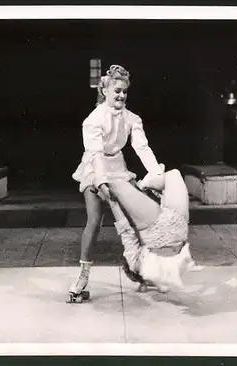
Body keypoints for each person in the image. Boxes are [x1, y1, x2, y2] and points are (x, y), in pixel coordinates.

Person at [70, 64, 163, 300]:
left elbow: (142, 148)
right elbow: (96, 154)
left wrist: (156, 174)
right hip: (95, 167)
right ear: (105, 91)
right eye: (117, 91)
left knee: (133, 218)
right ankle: (82, 275)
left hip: (118, 168)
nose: (121, 95)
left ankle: (137, 267)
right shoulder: (93, 119)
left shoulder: (132, 119)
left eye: (124, 91)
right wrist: (101, 181)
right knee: (94, 221)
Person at [108, 167, 195, 293]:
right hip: (175, 223)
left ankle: (144, 185)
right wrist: (113, 203)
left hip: (162, 227)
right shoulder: (138, 266)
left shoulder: (137, 265)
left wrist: (114, 203)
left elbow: (127, 234)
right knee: (173, 174)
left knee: (172, 174)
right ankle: (143, 185)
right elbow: (127, 233)